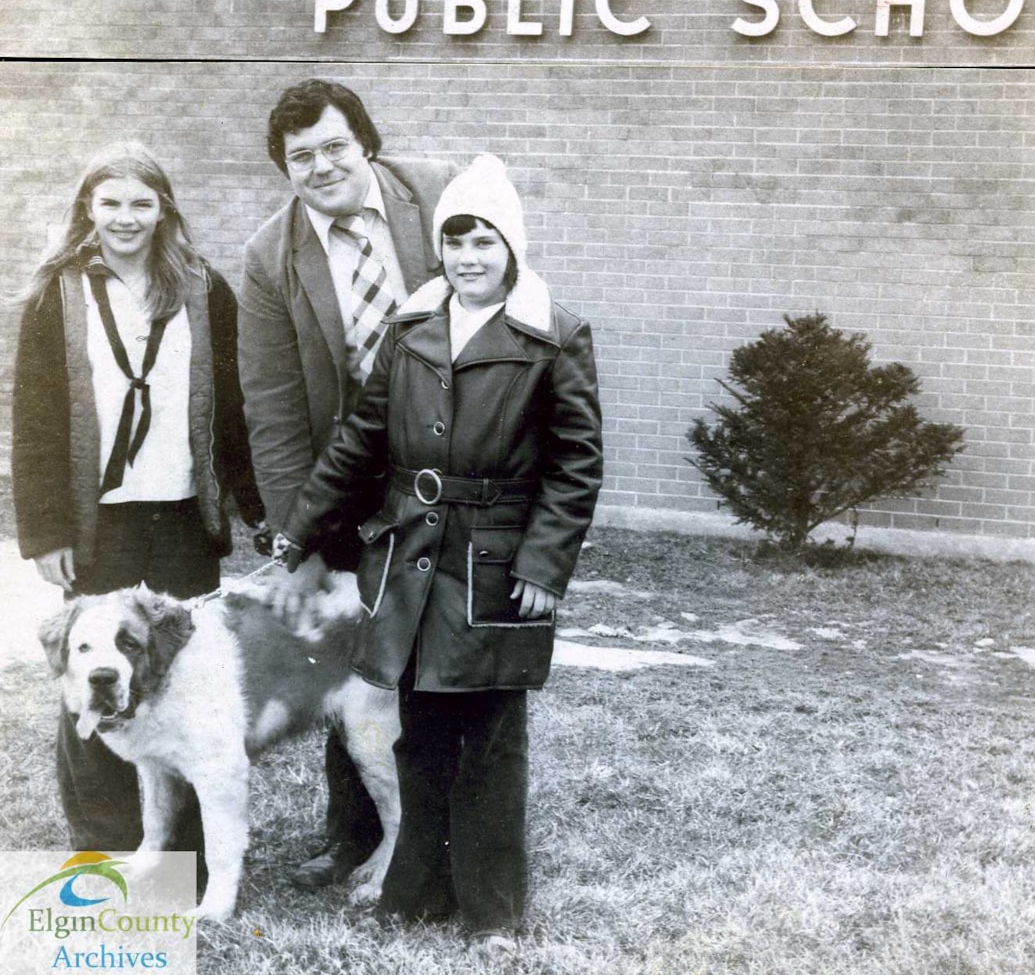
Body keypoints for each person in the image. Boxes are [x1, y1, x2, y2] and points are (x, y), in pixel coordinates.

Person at [277, 153, 603, 951]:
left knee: (491, 740)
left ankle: (492, 910)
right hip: (412, 561)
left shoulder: (553, 336)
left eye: (483, 241)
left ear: (512, 247)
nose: (467, 257)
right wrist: (302, 525)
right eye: (453, 241)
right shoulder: (411, 328)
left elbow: (577, 464)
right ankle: (416, 889)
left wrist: (542, 564)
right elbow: (359, 437)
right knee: (418, 735)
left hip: (495, 567)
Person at [11, 140, 264, 862]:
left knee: (183, 685)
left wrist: (254, 507)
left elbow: (233, 409)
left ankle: (174, 854)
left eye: (142, 203)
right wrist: (47, 530)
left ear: (164, 210)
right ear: (88, 207)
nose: (126, 217)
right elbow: (34, 422)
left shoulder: (202, 287)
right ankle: (103, 845)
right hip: (101, 524)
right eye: (111, 201)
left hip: (181, 517)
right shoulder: (54, 293)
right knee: (92, 678)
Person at [238, 78, 458, 890]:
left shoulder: (438, 194)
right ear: (285, 170)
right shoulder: (270, 257)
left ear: (365, 141)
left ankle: (449, 829)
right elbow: (273, 408)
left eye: (335, 145)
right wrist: (297, 540)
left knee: (448, 647)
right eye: (301, 157)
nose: (322, 165)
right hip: (351, 481)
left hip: (457, 462)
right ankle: (350, 832)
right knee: (352, 649)